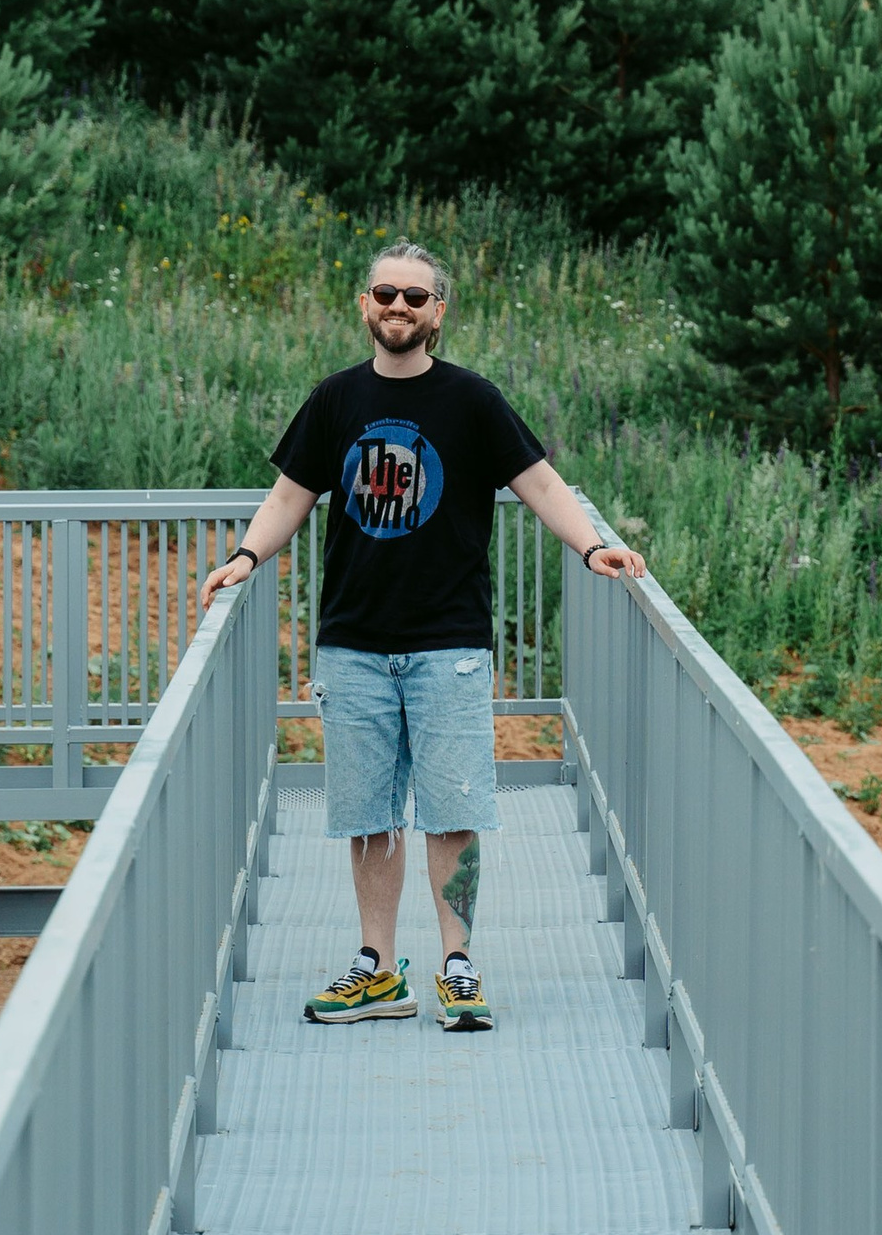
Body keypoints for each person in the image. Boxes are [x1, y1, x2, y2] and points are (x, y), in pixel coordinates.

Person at [200, 241, 646, 1034]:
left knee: (453, 811)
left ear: (439, 310)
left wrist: (591, 545)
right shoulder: (335, 398)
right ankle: (377, 968)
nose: (398, 307)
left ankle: (458, 966)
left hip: (449, 644)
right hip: (354, 642)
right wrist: (244, 557)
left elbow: (540, 482)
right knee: (368, 816)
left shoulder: (472, 400)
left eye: (415, 296)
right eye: (385, 293)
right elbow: (289, 496)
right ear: (364, 304)